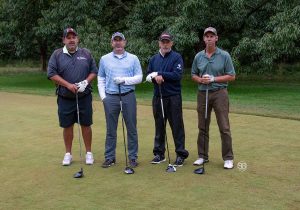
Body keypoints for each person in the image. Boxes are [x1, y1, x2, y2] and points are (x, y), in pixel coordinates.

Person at [47, 27, 98, 166]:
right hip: (65, 97)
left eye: (73, 37)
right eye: (68, 37)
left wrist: (86, 81)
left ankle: (89, 153)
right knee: (67, 125)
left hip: (84, 97)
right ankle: (68, 154)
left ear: (77, 39)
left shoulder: (86, 53)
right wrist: (67, 85)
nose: (71, 40)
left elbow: (94, 71)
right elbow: (51, 74)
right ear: (64, 40)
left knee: (86, 124)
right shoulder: (57, 55)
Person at [191, 27, 236, 169]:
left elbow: (231, 75)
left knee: (224, 127)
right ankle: (202, 156)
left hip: (220, 93)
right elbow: (193, 74)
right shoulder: (198, 56)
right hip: (202, 93)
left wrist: (214, 79)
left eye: (212, 36)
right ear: (204, 39)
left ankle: (228, 158)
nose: (209, 38)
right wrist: (200, 80)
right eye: (207, 36)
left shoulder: (224, 55)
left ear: (216, 38)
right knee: (202, 126)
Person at [97, 32, 143, 168]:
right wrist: (103, 97)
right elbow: (101, 79)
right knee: (111, 129)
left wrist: (124, 80)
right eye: (115, 40)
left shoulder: (133, 58)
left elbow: (139, 77)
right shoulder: (104, 59)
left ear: (125, 42)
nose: (118, 43)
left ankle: (133, 157)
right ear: (112, 43)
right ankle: (110, 157)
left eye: (120, 40)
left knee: (131, 128)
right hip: (111, 97)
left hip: (128, 95)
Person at [146, 31, 189, 167]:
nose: (165, 44)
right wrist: (154, 77)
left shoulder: (176, 57)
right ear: (159, 43)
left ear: (171, 43)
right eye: (163, 42)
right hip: (158, 97)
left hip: (173, 97)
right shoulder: (154, 59)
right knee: (159, 126)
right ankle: (159, 154)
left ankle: (180, 154)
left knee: (177, 125)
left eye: (167, 42)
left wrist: (159, 74)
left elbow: (177, 75)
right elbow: (148, 76)